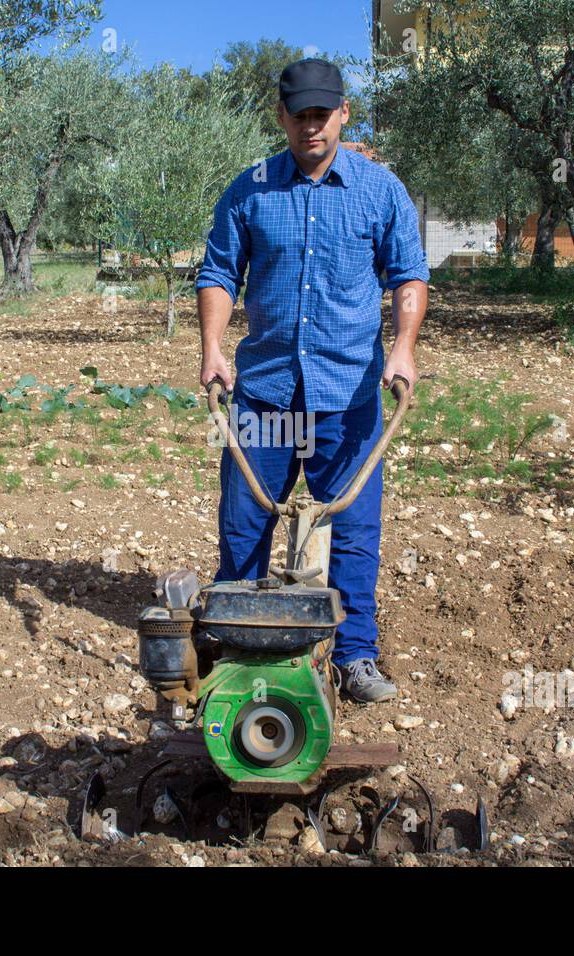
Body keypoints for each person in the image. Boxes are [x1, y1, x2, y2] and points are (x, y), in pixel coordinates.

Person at [195, 58, 429, 703]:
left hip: (349, 394)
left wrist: (403, 349)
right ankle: (235, 645)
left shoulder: (380, 191)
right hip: (266, 392)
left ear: (343, 113)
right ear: (282, 117)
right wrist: (214, 348)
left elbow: (409, 275)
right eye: (299, 115)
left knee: (354, 531)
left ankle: (354, 656)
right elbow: (217, 274)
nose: (311, 127)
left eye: (322, 115)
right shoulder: (249, 190)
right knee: (245, 523)